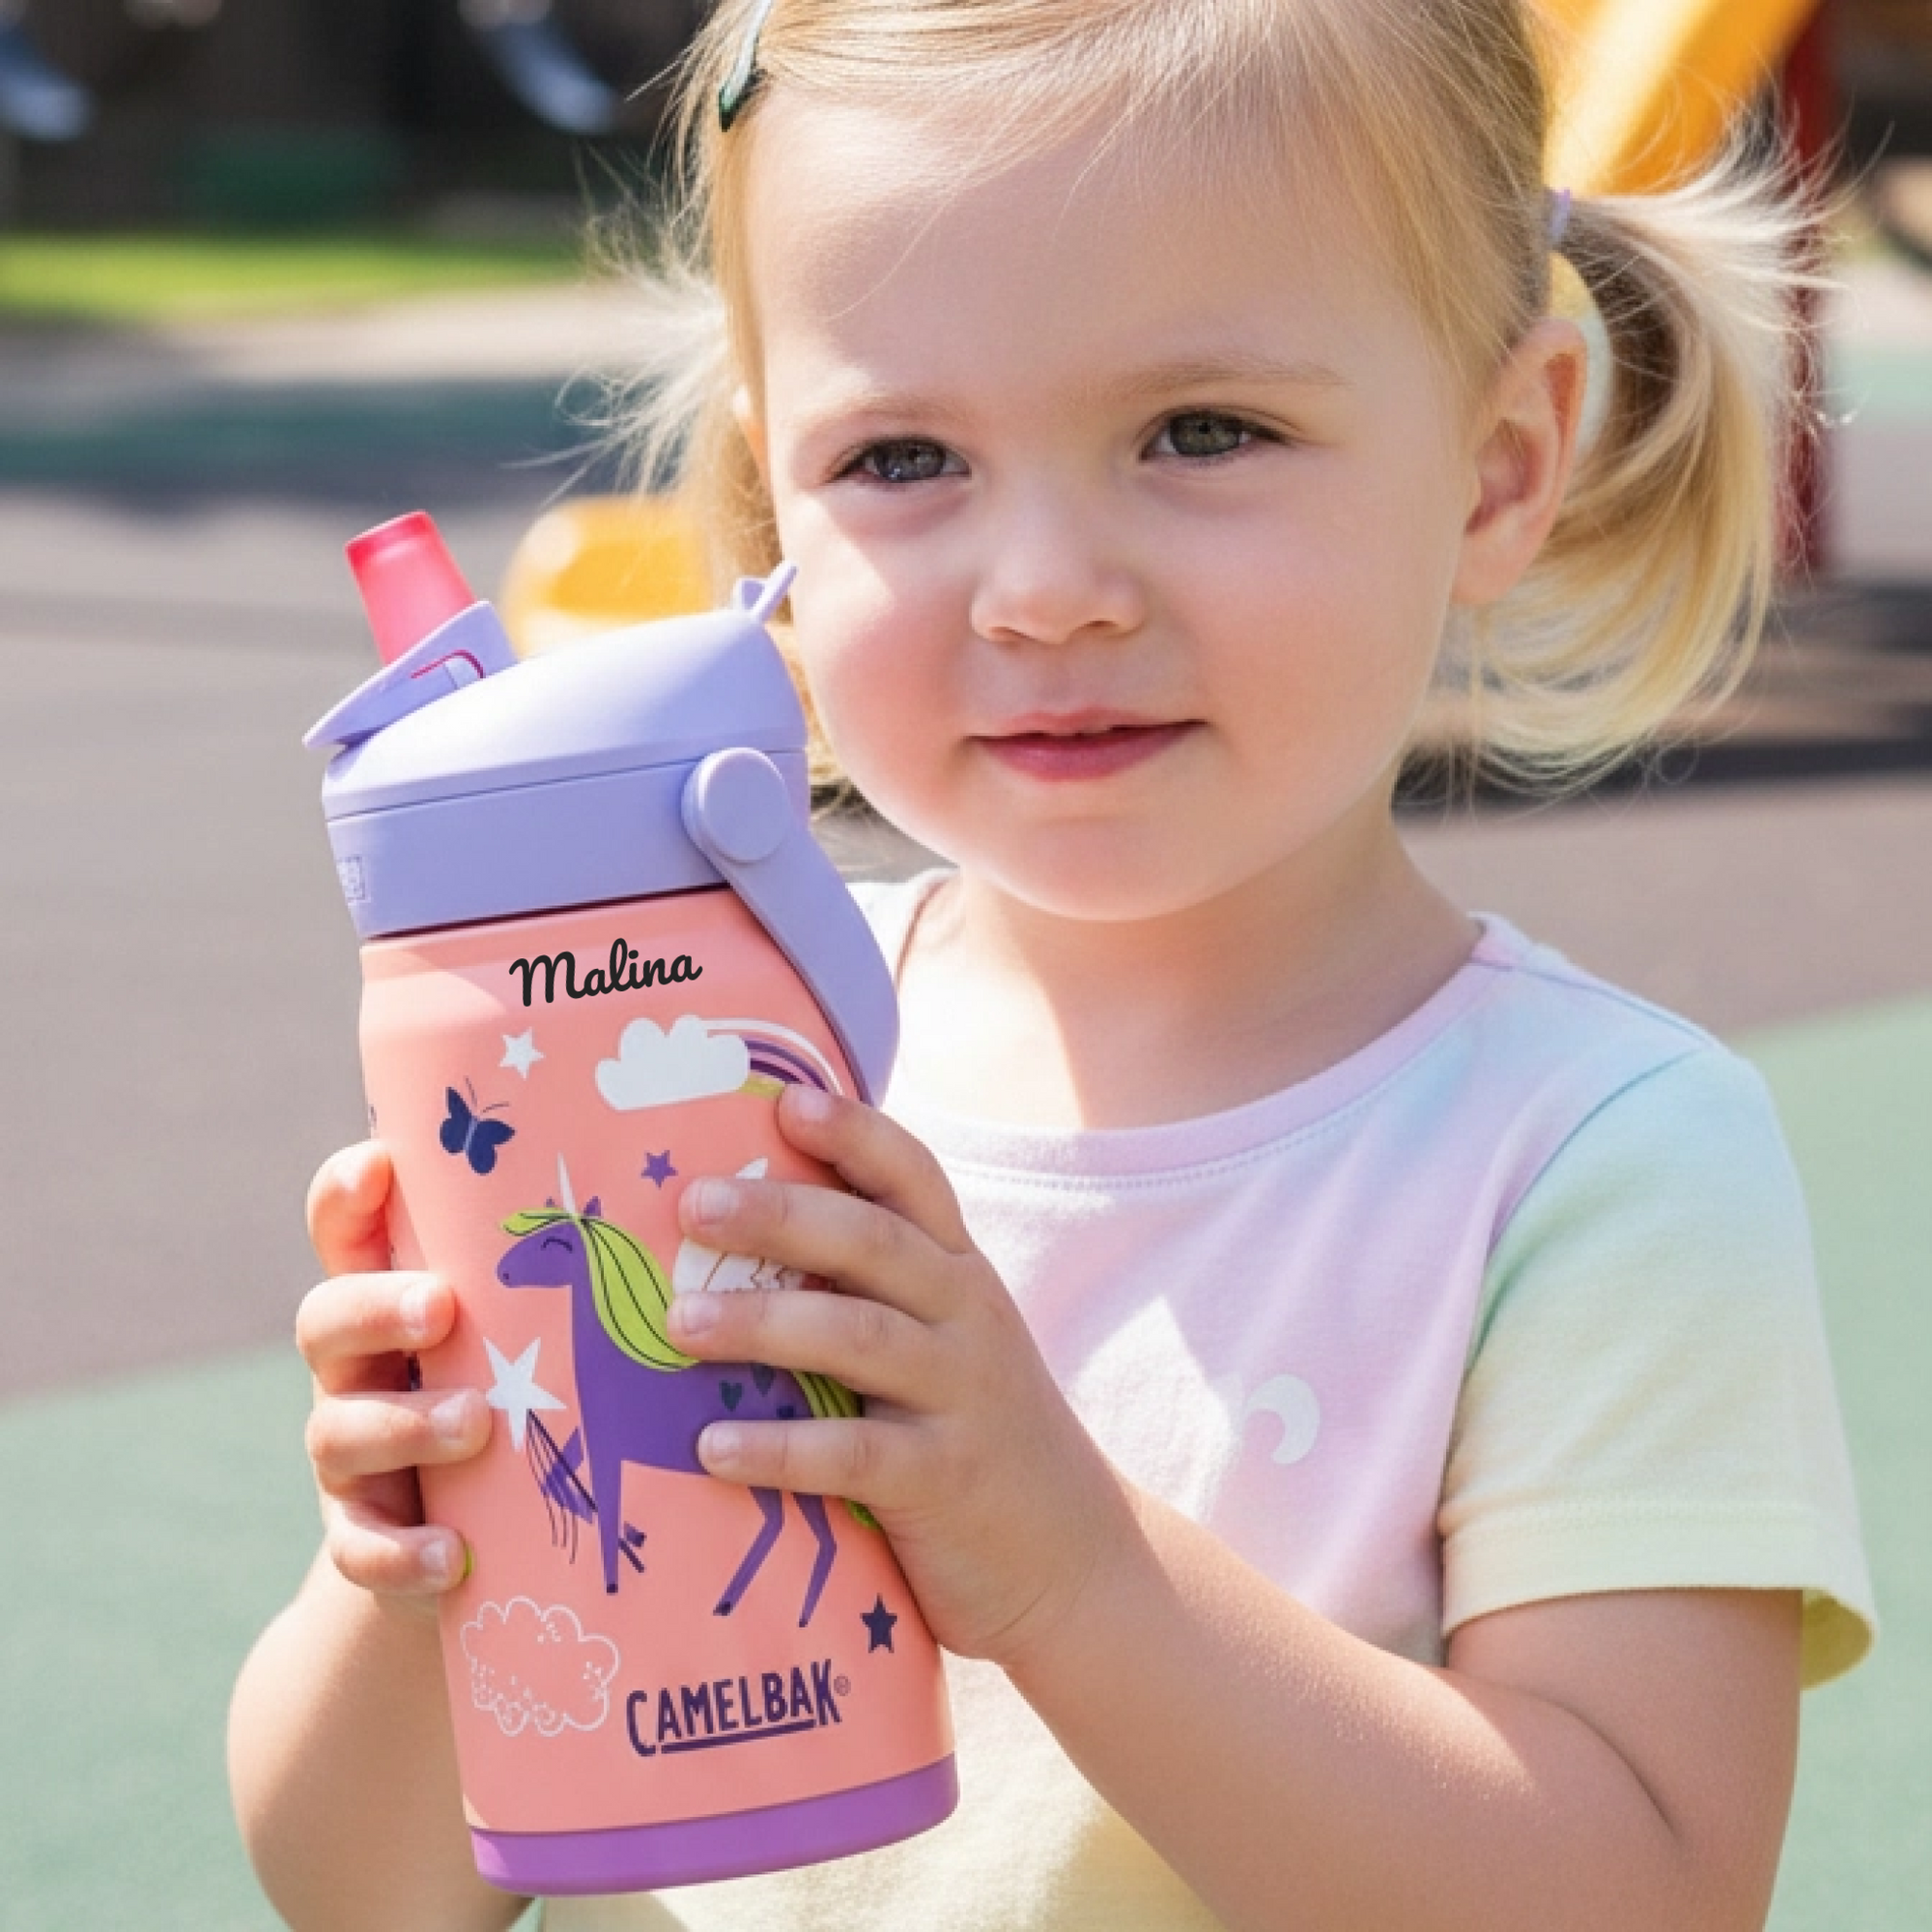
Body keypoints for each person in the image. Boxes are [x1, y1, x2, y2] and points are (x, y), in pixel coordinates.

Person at [229, 2, 1876, 1926]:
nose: (1044, 587)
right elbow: (366, 1895)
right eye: (905, 456)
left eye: (1202, 431)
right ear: (777, 513)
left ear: (1500, 466)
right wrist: (417, 1557)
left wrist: (1077, 1578)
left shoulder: (1594, 1160)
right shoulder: (683, 1063)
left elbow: (1641, 1897)